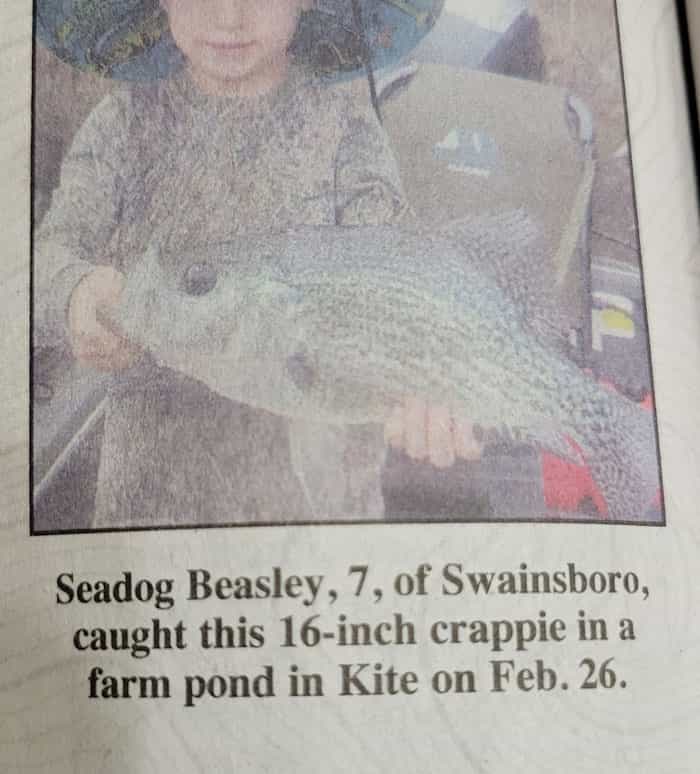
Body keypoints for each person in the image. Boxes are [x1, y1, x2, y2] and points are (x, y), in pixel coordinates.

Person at [34, 0, 480, 528]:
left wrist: (435, 381)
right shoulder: (121, 122)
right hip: (150, 509)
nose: (228, 17)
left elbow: (399, 276)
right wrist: (74, 291)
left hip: (315, 517)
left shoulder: (346, 131)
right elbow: (46, 254)